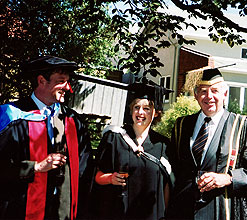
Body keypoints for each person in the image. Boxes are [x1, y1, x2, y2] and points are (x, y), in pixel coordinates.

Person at [166, 67, 247, 220]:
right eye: (203, 91)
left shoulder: (244, 128)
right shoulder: (182, 125)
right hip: (184, 209)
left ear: (225, 94)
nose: (208, 96)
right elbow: (173, 167)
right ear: (195, 95)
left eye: (214, 91)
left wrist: (228, 178)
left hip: (222, 210)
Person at [0, 56, 92, 220]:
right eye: (61, 81)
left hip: (61, 212)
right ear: (42, 81)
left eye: (68, 81)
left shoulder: (73, 121)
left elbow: (85, 170)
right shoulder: (12, 116)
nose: (68, 87)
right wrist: (36, 167)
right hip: (20, 209)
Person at [91, 81, 172, 220]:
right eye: (137, 107)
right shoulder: (114, 138)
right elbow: (95, 176)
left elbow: (167, 187)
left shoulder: (163, 145)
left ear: (156, 113)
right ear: (131, 110)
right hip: (118, 212)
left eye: (147, 108)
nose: (140, 112)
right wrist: (110, 178)